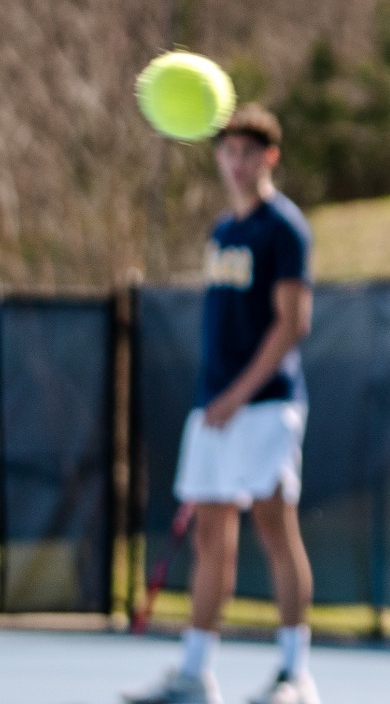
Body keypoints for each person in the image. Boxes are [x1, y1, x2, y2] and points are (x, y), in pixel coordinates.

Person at [125, 105, 320, 704]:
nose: (236, 164)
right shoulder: (222, 230)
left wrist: (238, 396)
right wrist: (218, 400)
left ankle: (294, 675)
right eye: (228, 152)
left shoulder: (284, 229)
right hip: (212, 409)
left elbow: (293, 326)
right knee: (213, 538)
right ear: (219, 157)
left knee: (273, 528)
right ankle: (194, 673)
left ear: (270, 158)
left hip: (264, 407)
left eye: (248, 153)